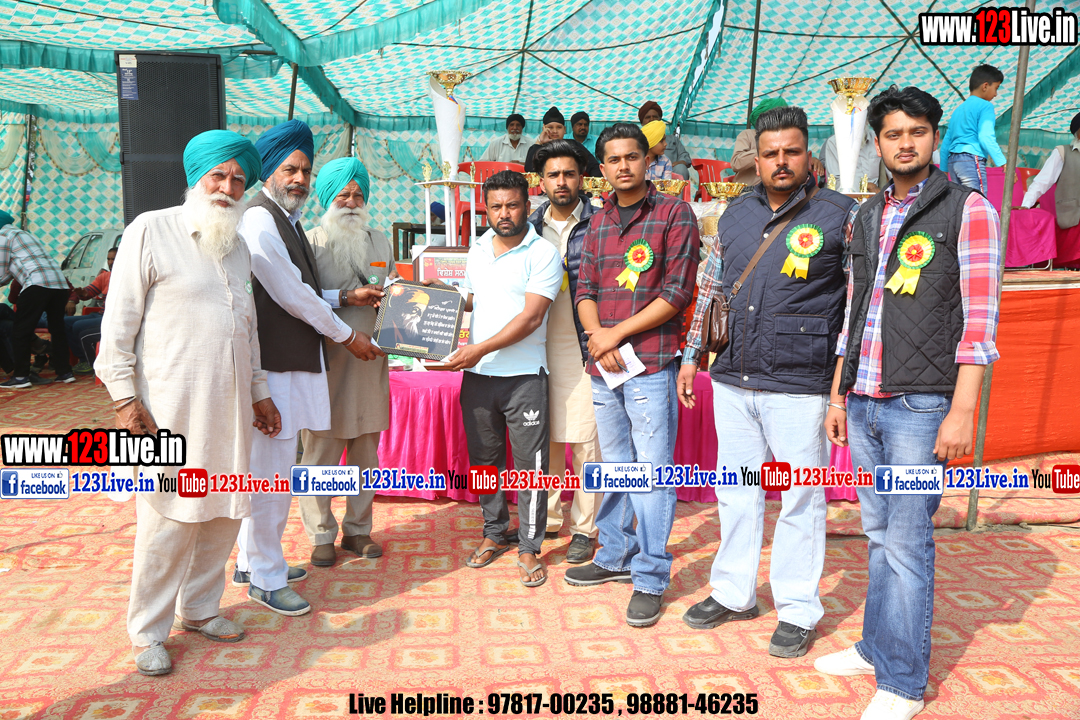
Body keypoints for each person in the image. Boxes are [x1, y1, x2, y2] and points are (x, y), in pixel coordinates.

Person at [817, 86, 1001, 720]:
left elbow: (981, 318)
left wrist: (962, 410)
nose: (905, 144)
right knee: (877, 535)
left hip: (921, 404)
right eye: (893, 134)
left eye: (917, 132)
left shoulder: (968, 208)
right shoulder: (866, 215)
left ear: (935, 139)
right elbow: (854, 311)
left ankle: (902, 682)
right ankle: (876, 647)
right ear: (877, 143)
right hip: (864, 398)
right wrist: (839, 394)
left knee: (907, 540)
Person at [95, 130, 282, 676]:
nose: (228, 187)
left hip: (230, 411)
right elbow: (117, 326)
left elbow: (247, 332)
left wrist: (260, 394)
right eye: (218, 175)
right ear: (196, 178)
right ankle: (148, 631)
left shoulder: (238, 248)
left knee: (223, 513)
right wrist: (125, 401)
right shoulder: (151, 229)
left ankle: (199, 609)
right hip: (167, 413)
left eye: (238, 180)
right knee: (168, 522)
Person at [677, 106, 858, 657]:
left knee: (801, 497)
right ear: (755, 159)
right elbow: (712, 287)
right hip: (733, 377)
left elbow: (856, 306)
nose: (781, 161)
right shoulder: (734, 213)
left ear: (809, 156)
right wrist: (692, 356)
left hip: (801, 384)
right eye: (771, 153)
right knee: (735, 492)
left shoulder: (841, 215)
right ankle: (734, 593)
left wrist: (839, 387)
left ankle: (798, 609)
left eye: (791, 151)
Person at [235, 119, 382, 617]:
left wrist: (345, 298)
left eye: (304, 170)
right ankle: (266, 579)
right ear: (267, 172)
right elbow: (292, 295)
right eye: (289, 169)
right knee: (271, 477)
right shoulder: (260, 220)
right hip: (273, 369)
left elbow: (304, 291)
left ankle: (253, 563)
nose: (298, 178)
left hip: (288, 362)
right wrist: (347, 335)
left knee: (267, 473)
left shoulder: (284, 219)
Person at [566, 123, 700, 627]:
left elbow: (677, 292)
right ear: (602, 168)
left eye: (632, 157)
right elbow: (583, 289)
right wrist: (597, 337)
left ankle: (650, 575)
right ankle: (615, 555)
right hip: (605, 366)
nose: (623, 166)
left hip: (649, 362)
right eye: (614, 159)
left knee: (652, 472)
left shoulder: (674, 213)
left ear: (648, 161)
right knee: (616, 464)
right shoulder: (597, 222)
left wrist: (614, 335)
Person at [427, 170, 562, 587]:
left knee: (530, 468)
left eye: (513, 205)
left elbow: (531, 317)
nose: (505, 214)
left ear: (527, 205)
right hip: (478, 377)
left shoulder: (543, 253)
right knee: (484, 462)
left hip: (524, 377)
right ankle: (494, 532)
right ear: (486, 209)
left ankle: (529, 546)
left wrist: (478, 349)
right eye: (496, 206)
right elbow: (474, 299)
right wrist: (442, 293)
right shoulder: (478, 248)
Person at [298, 157, 392, 567]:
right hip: (325, 362)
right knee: (320, 451)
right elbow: (298, 299)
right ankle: (321, 534)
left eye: (358, 195)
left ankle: (358, 530)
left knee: (366, 453)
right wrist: (345, 297)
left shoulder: (380, 240)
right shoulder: (309, 242)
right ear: (326, 199)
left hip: (370, 361)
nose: (352, 202)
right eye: (343, 195)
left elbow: (391, 293)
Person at [527, 139, 602, 564]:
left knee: (588, 440)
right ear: (541, 182)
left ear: (581, 179)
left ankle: (585, 527)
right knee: (547, 435)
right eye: (553, 175)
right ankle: (550, 517)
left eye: (569, 174)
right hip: (535, 346)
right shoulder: (528, 227)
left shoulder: (600, 222)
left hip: (583, 344)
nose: (561, 182)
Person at [0, 212, 74, 388]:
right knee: (57, 330)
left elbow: (1, 270)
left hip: (36, 284)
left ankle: (20, 377)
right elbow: (10, 272)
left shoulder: (2, 236)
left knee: (21, 331)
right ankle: (65, 372)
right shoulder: (23, 235)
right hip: (59, 285)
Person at [1018, 111, 1080, 261]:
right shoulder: (1062, 152)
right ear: (1078, 133)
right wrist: (1025, 205)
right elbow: (1041, 182)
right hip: (1072, 218)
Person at [940, 64, 1006, 195]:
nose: (996, 94)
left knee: (960, 202)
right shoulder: (986, 106)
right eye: (996, 88)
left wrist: (944, 170)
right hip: (971, 160)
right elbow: (985, 137)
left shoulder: (958, 110)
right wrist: (1003, 163)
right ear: (985, 86)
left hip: (953, 162)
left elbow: (946, 144)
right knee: (978, 201)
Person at [65, 246, 116, 373]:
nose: (110, 262)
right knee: (64, 322)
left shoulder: (128, 278)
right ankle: (80, 358)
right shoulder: (105, 276)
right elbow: (89, 292)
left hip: (111, 318)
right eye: (108, 259)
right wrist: (81, 293)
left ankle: (86, 361)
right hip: (99, 314)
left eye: (113, 259)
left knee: (78, 326)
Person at [525, 107, 601, 176]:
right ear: (543, 129)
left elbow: (594, 167)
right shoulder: (539, 148)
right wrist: (539, 142)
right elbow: (530, 170)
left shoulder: (573, 145)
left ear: (564, 129)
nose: (555, 131)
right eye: (550, 127)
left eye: (559, 127)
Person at [820, 125, 887, 192]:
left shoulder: (877, 138)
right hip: (846, 195)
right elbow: (836, 181)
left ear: (866, 121)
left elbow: (887, 173)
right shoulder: (833, 143)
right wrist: (865, 186)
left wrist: (880, 193)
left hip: (875, 195)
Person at [637, 101, 691, 179]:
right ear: (642, 123)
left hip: (671, 174)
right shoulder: (637, 141)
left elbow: (684, 156)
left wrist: (680, 162)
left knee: (681, 168)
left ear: (660, 120)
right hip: (646, 176)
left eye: (655, 117)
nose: (652, 119)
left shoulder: (673, 139)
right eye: (648, 117)